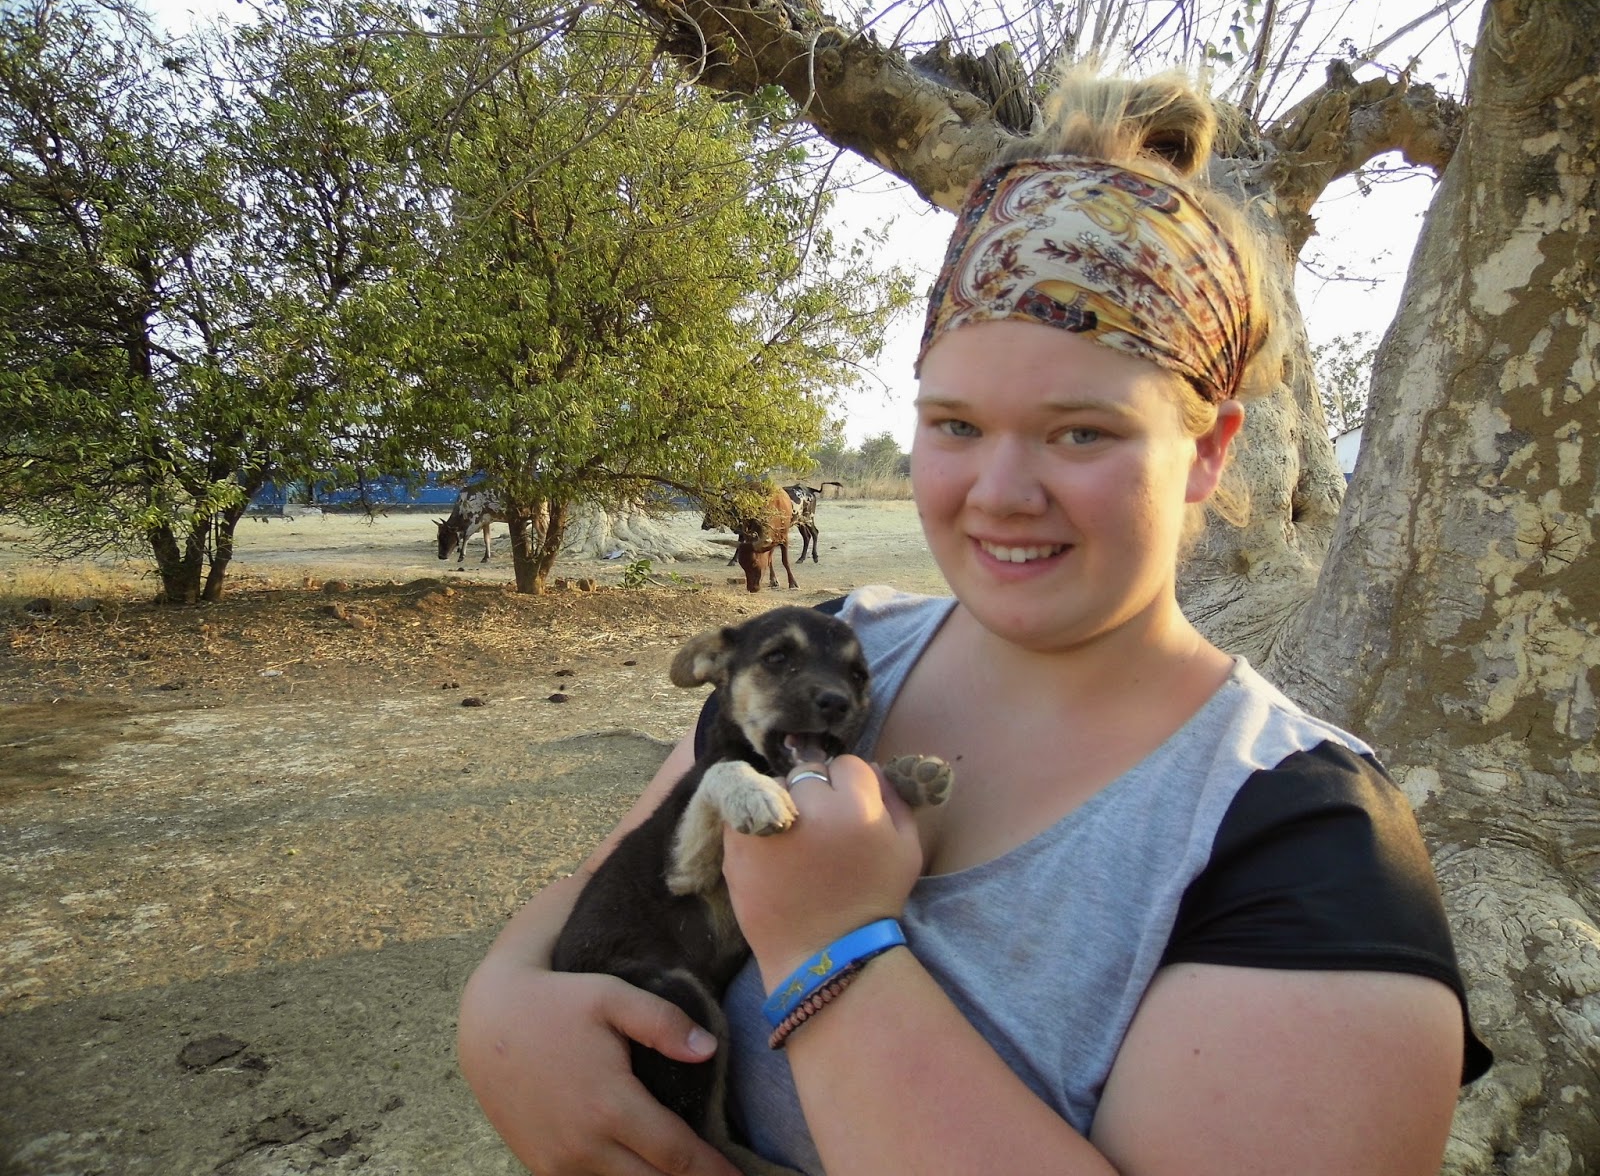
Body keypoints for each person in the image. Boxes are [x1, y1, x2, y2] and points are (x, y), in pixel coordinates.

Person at [457, 65, 1492, 1176]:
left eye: (1081, 432)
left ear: (1207, 451)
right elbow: (623, 870)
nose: (999, 493)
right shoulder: (835, 646)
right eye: (954, 424)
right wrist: (500, 1009)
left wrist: (829, 946)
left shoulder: (1307, 844)